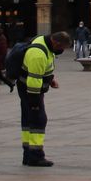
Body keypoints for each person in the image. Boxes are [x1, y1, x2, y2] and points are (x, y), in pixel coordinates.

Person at [18, 31, 70, 167]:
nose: (61, 51)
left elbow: (42, 71)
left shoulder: (44, 41)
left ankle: (28, 155)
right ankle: (35, 156)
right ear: (56, 42)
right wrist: (34, 102)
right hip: (30, 90)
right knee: (38, 119)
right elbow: (34, 80)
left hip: (29, 88)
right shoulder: (38, 54)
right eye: (61, 48)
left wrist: (50, 80)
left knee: (28, 120)